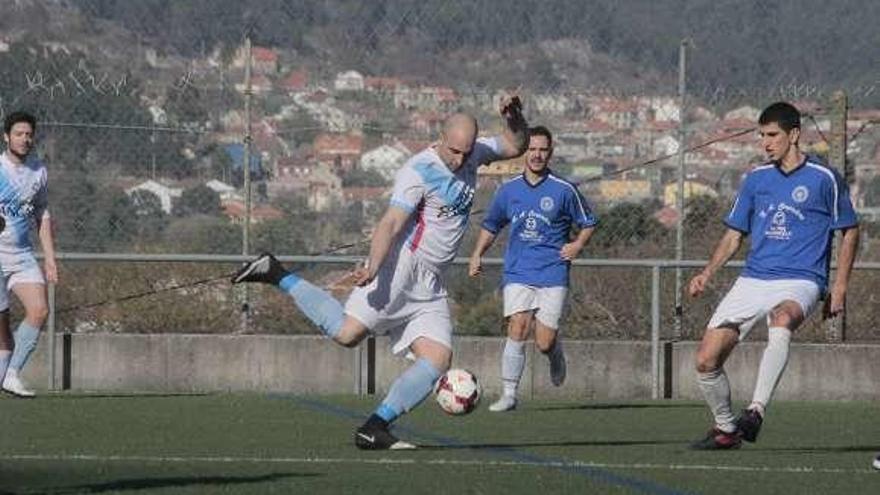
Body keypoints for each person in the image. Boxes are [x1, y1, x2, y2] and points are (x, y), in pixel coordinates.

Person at [232, 96, 528, 449]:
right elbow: (390, 222)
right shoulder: (419, 170)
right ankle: (276, 272)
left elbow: (515, 144)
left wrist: (515, 117)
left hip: (431, 284)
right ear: (440, 138)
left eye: (466, 152)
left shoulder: (475, 153)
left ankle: (374, 428)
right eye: (454, 151)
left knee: (437, 359)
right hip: (400, 270)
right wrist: (374, 265)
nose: (461, 160)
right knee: (347, 334)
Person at [688, 102, 859, 450]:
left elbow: (850, 230)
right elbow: (735, 234)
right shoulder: (757, 179)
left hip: (801, 278)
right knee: (706, 360)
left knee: (782, 320)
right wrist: (707, 272)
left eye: (772, 135)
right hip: (753, 279)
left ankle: (756, 410)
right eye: (762, 136)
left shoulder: (824, 178)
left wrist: (839, 287)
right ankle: (726, 429)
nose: (765, 143)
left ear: (794, 134)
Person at [468, 125, 597, 412]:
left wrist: (576, 245)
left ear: (550, 153)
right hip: (518, 271)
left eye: (543, 150)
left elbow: (589, 222)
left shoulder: (565, 190)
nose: (537, 155)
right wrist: (477, 254)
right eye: (533, 149)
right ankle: (509, 394)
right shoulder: (509, 189)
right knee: (518, 325)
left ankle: (555, 353)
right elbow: (491, 225)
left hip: (552, 272)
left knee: (543, 341)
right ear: (525, 152)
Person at [0, 111, 58, 398]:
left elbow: (42, 214)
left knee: (39, 310)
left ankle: (11, 375)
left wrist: (49, 258)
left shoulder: (38, 171)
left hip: (22, 256)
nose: (25, 138)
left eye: (28, 134)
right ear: (6, 136)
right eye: (19, 133)